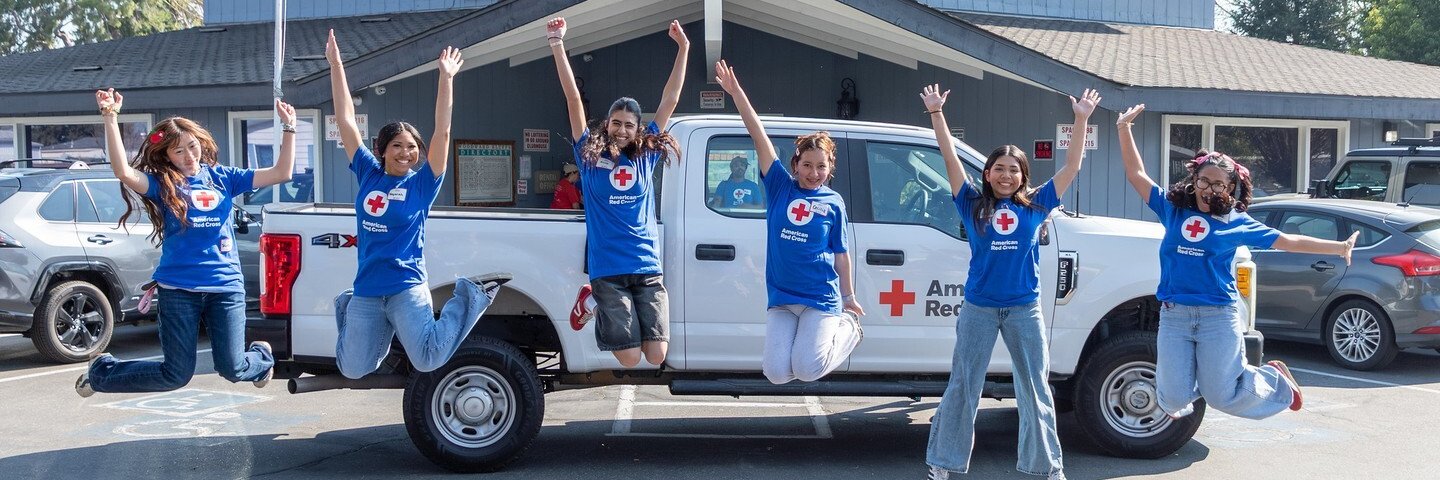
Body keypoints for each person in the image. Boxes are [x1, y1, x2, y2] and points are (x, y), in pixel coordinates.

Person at [1115, 104, 1355, 422]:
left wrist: (1339, 247)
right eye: (1203, 181)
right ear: (1193, 180)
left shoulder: (1236, 222)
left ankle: (1273, 380)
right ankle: (1192, 386)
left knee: (1222, 397)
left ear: (1229, 189)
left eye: (1218, 185)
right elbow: (1136, 175)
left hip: (1218, 316)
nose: (1208, 189)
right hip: (1175, 316)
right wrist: (1123, 128)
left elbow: (1287, 241)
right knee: (1172, 400)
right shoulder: (1172, 210)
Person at [922, 84, 1101, 480]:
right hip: (979, 309)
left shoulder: (1038, 204)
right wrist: (936, 113)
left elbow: (1071, 168)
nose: (1006, 175)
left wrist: (1081, 119)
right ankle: (943, 463)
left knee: (1035, 390)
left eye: (1013, 169)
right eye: (999, 168)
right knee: (963, 387)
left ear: (1023, 176)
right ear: (987, 174)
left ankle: (1047, 468)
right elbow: (950, 158)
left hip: (1024, 309)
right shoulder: (970, 203)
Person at [76, 89, 293, 397]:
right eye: (179, 152)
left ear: (201, 144)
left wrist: (289, 127)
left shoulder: (224, 178)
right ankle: (102, 373)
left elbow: (282, 172)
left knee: (233, 368)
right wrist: (110, 116)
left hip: (225, 287)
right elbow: (123, 172)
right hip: (178, 290)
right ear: (167, 155)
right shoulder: (163, 184)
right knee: (175, 375)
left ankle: (261, 356)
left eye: (192, 147)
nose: (189, 156)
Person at [326, 30, 507, 379]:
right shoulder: (367, 172)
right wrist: (336, 65)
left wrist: (446, 78)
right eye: (397, 145)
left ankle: (471, 295)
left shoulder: (423, 183)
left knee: (428, 359)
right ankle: (347, 306)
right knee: (353, 368)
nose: (406, 152)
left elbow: (443, 132)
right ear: (382, 149)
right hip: (367, 288)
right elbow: (346, 120)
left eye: (412, 147)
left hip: (407, 287)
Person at [549, 16, 687, 367]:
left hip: (646, 265)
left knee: (656, 356)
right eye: (616, 123)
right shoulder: (589, 157)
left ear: (639, 128)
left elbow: (669, 99)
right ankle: (592, 299)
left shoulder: (646, 157)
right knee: (628, 358)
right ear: (606, 125)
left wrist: (683, 48)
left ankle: (593, 301)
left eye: (629, 124)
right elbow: (571, 100)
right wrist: (556, 44)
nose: (622, 130)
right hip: (608, 268)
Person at [714, 60, 864, 384]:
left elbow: (842, 254)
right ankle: (809, 347)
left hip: (820, 297)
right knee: (777, 373)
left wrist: (849, 298)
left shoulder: (833, 203)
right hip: (782, 297)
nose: (813, 173)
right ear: (795, 164)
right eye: (807, 165)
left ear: (830, 168)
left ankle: (849, 330)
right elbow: (758, 136)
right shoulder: (780, 186)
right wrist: (735, 91)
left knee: (808, 369)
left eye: (821, 167)